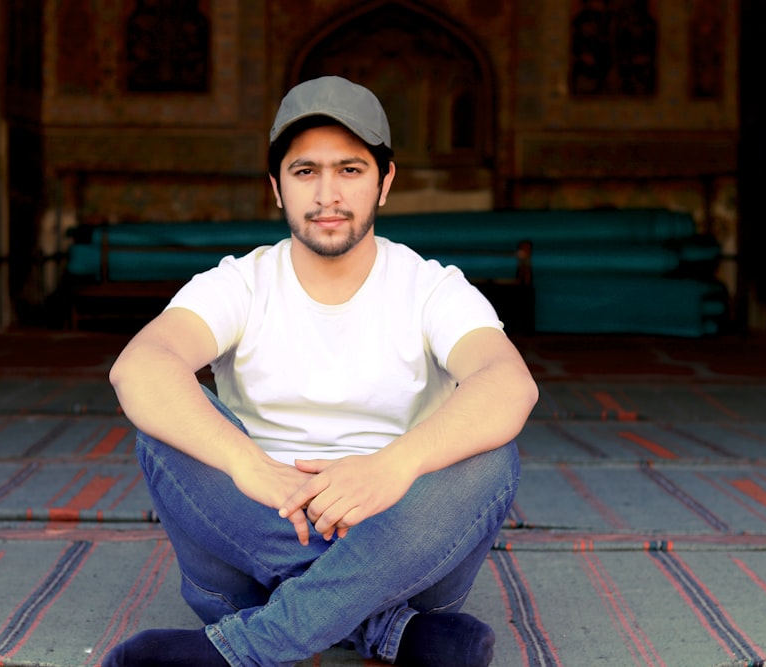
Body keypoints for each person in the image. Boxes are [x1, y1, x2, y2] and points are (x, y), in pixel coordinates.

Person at [102, 75, 538, 667]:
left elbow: (509, 383)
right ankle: (391, 632)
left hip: (402, 543)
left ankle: (245, 648)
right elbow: (140, 367)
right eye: (305, 171)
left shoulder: (432, 287)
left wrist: (393, 466)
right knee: (164, 424)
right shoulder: (240, 282)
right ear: (276, 188)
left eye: (350, 170)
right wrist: (247, 464)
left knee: (491, 454)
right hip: (255, 533)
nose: (327, 194)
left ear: (385, 182)